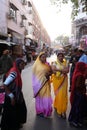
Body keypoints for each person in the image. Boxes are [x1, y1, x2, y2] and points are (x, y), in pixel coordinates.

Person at [0, 58, 27, 130]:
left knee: (19, 109)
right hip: (11, 95)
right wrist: (11, 97)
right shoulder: (14, 73)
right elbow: (5, 84)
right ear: (18, 64)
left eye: (24, 64)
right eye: (22, 64)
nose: (23, 66)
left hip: (16, 93)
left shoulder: (17, 71)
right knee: (11, 113)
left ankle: (17, 124)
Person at [32, 52, 53, 118]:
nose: (44, 58)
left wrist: (49, 74)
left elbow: (51, 72)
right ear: (39, 57)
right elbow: (34, 76)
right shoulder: (36, 65)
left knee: (46, 98)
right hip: (39, 85)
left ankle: (46, 111)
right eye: (42, 57)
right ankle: (40, 111)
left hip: (46, 83)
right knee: (40, 98)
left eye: (45, 57)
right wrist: (37, 83)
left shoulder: (47, 64)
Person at [68, 62, 87, 127]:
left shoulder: (76, 73)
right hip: (79, 93)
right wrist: (84, 86)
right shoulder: (80, 75)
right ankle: (75, 121)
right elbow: (78, 85)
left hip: (76, 93)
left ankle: (72, 119)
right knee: (78, 108)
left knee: (75, 107)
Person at [51, 51, 69, 118]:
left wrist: (58, 70)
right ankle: (57, 106)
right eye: (59, 56)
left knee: (63, 95)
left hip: (64, 81)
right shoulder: (54, 63)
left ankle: (62, 110)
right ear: (57, 57)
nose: (61, 57)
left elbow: (67, 71)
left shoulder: (66, 62)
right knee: (58, 94)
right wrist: (62, 70)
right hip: (57, 81)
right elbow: (53, 70)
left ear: (63, 57)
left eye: (62, 56)